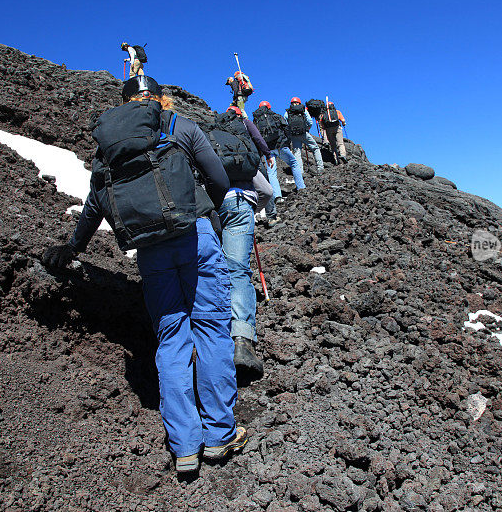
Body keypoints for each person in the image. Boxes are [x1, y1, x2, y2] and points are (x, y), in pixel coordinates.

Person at [41, 76, 246, 473]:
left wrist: (73, 247)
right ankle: (219, 436)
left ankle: (185, 447)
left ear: (125, 103)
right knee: (212, 331)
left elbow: (94, 203)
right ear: (160, 99)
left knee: (171, 340)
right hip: (194, 235)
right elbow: (219, 178)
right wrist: (208, 210)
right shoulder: (178, 126)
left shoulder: (109, 148)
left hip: (150, 251)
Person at [214, 105, 271, 378]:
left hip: (212, 208)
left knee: (210, 271)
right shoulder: (242, 145)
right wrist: (254, 208)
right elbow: (267, 191)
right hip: (241, 205)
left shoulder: (209, 141)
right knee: (237, 270)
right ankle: (242, 342)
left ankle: (210, 340)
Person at [253, 101, 306, 215]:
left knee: (271, 173)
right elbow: (286, 128)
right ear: (269, 107)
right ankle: (301, 188)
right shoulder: (276, 116)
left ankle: (277, 196)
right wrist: (288, 142)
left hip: (268, 150)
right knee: (294, 163)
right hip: (281, 146)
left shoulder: (256, 120)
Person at [284, 97, 324, 174]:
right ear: (299, 102)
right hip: (304, 133)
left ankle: (300, 172)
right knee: (315, 148)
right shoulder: (303, 110)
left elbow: (286, 125)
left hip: (294, 135)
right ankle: (320, 168)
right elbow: (310, 121)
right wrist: (306, 128)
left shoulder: (287, 112)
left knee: (297, 152)